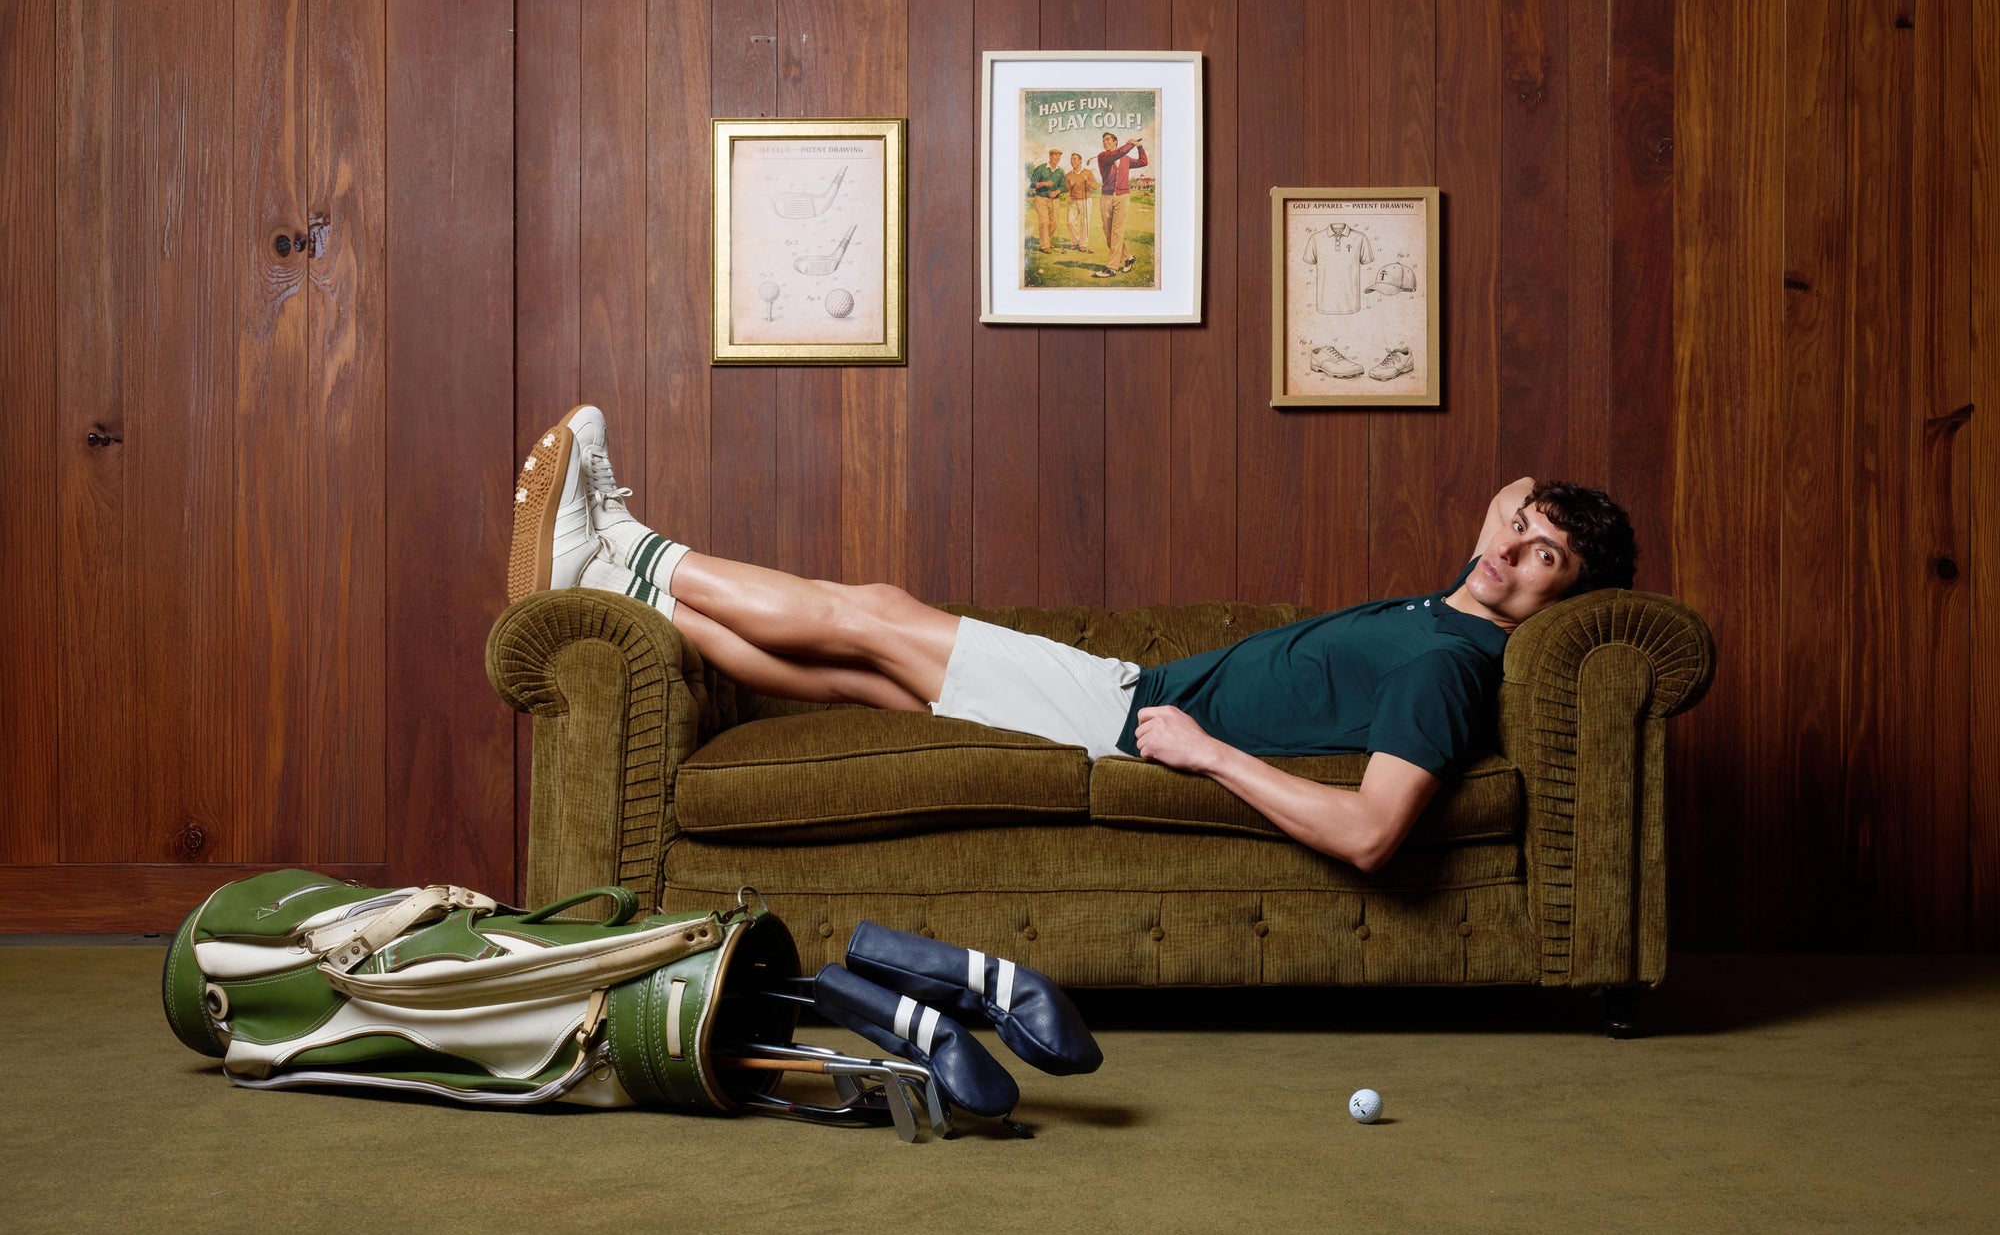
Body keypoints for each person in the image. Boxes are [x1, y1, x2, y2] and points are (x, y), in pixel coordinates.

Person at [511, 406, 1638, 874]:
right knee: (851, 667)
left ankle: (634, 546)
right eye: (1519, 530)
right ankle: (623, 593)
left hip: (1122, 716)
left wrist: (1210, 754)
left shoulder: (1448, 662)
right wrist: (1546, 525)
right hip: (1123, 703)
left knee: (873, 612)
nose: (1514, 544)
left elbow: (1369, 832)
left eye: (1545, 558)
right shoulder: (1456, 600)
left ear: (1560, 601)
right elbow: (1515, 491)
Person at [1092, 131, 1147, 277]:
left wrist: (1139, 147)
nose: (1105, 142)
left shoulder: (1126, 159)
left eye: (1108, 139)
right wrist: (1131, 143)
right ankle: (1128, 258)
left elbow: (1143, 162)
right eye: (1103, 140)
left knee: (1117, 232)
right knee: (1108, 232)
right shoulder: (1103, 156)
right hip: (1106, 197)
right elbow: (1117, 154)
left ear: (1115, 141)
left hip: (1123, 197)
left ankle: (1111, 268)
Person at [1025, 148, 1065, 255]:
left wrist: (1057, 192)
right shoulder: (1041, 169)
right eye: (1056, 155)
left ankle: (1048, 240)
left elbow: (1063, 186)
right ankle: (1045, 245)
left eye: (1059, 156)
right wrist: (1044, 183)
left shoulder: (1061, 171)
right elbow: (1031, 184)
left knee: (1054, 223)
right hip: (1041, 199)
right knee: (1044, 222)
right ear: (1050, 156)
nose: (1058, 157)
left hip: (1054, 200)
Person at [1063, 151, 1098, 251]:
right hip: (1073, 201)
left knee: (1084, 223)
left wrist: (1087, 181)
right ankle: (1075, 241)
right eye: (1071, 159)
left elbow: (1095, 186)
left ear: (1080, 161)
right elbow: (1065, 189)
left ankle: (1083, 244)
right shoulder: (1068, 175)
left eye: (1074, 159)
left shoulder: (1088, 172)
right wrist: (1070, 185)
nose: (1072, 161)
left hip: (1085, 200)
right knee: (1070, 222)